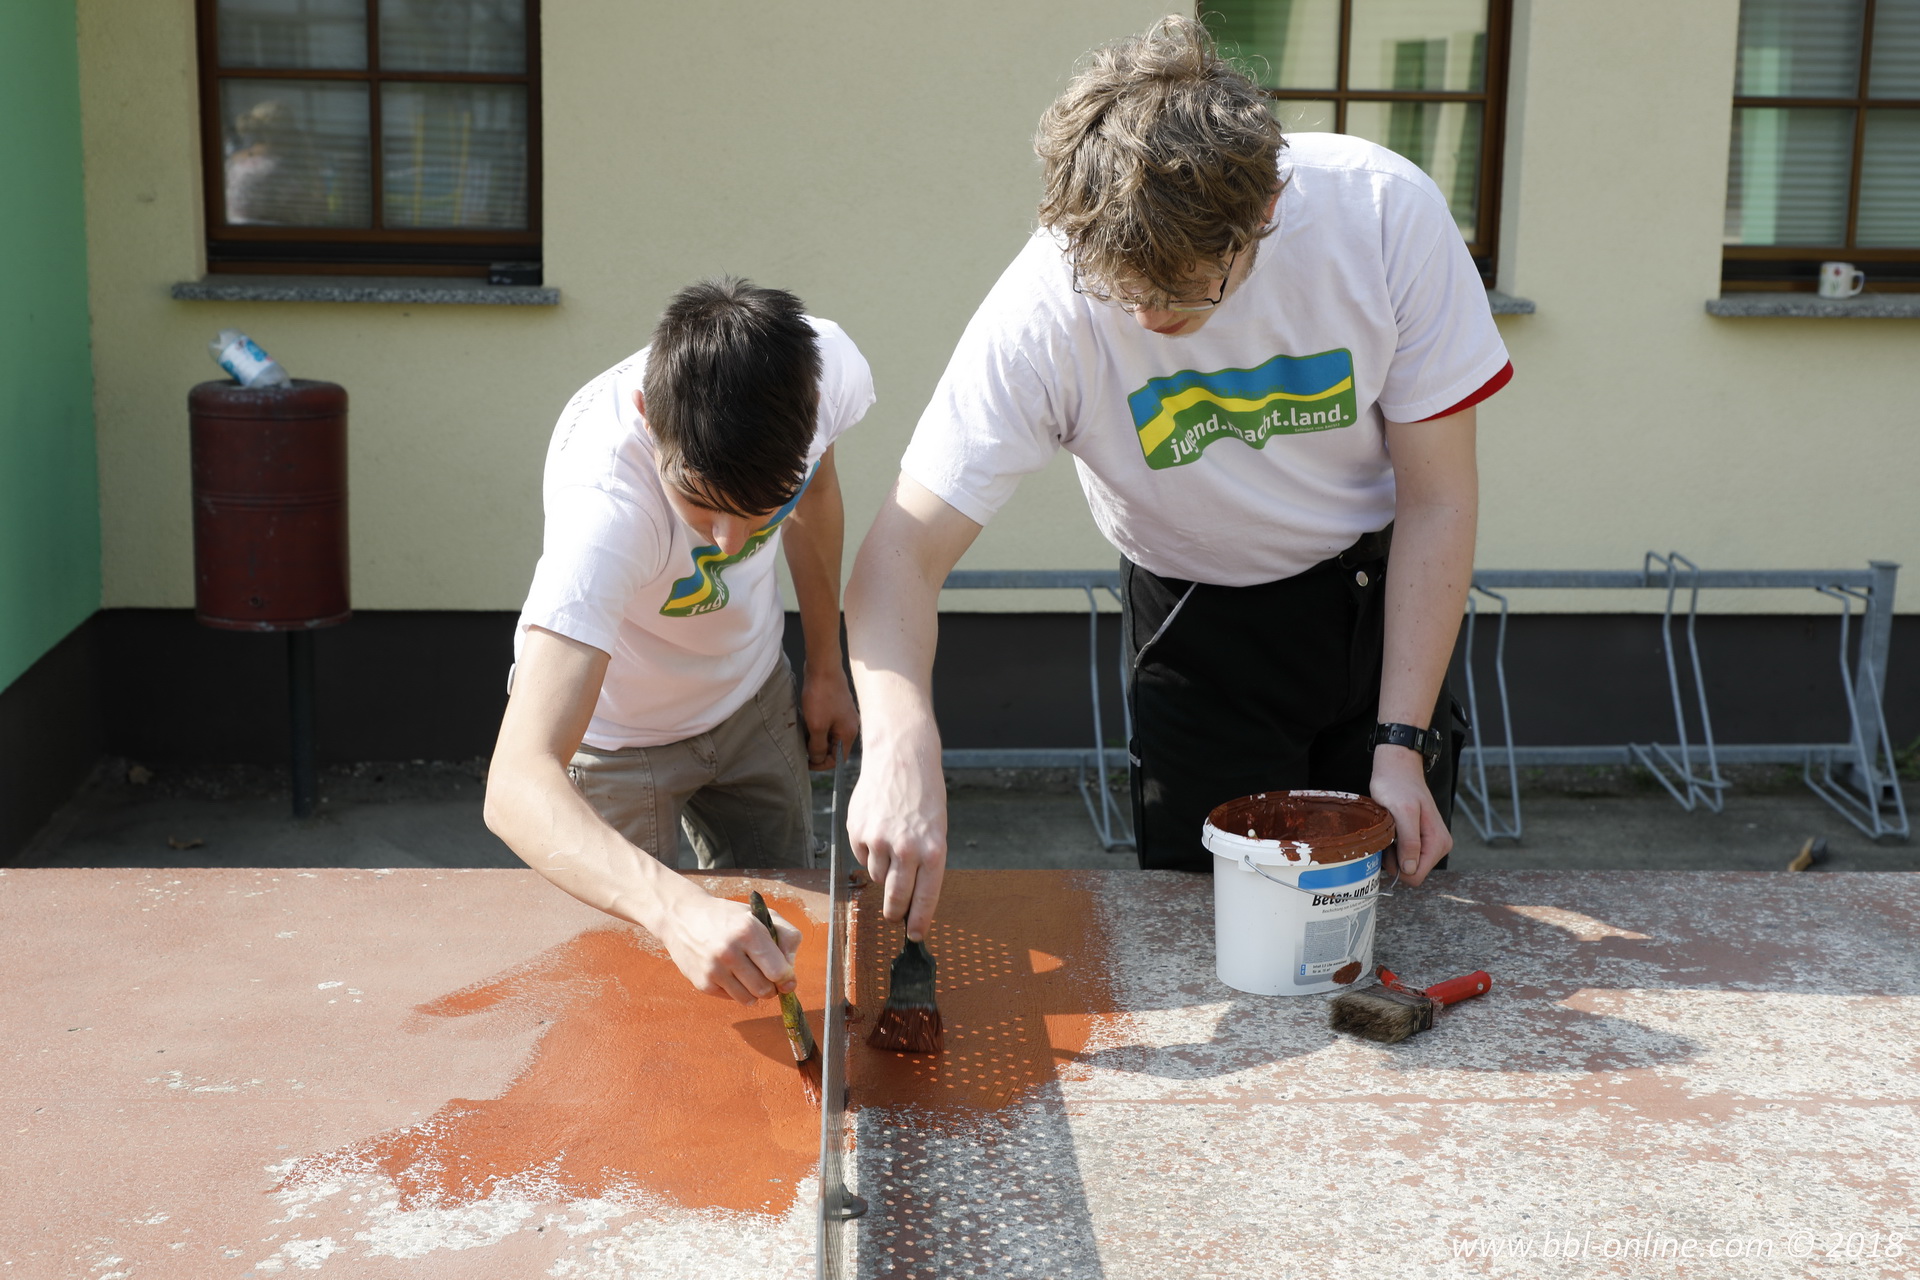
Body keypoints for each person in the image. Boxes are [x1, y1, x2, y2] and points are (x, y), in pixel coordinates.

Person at [844, 16, 1511, 941]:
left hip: (1383, 597)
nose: (1149, 320)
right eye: (1125, 292)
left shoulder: (1382, 215)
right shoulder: (1047, 308)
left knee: (1393, 924)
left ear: (1264, 210)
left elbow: (1439, 498)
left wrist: (1401, 744)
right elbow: (899, 556)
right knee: (1212, 935)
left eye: (1185, 291)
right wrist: (898, 742)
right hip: (1197, 623)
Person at [485, 278, 868, 1003]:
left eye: (760, 509)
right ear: (645, 415)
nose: (730, 542)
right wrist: (673, 907)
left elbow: (816, 493)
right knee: (631, 994)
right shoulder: (604, 512)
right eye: (700, 501)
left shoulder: (821, 371)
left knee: (786, 945)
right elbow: (514, 784)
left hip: (752, 701)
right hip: (618, 745)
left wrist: (826, 666)